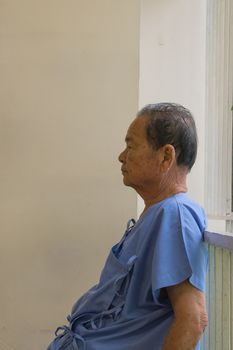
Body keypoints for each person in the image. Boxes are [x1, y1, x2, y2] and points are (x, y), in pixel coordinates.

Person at [47, 102, 208, 350]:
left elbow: (193, 318)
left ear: (166, 156)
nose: (121, 156)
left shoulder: (176, 214)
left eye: (131, 146)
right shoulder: (155, 214)